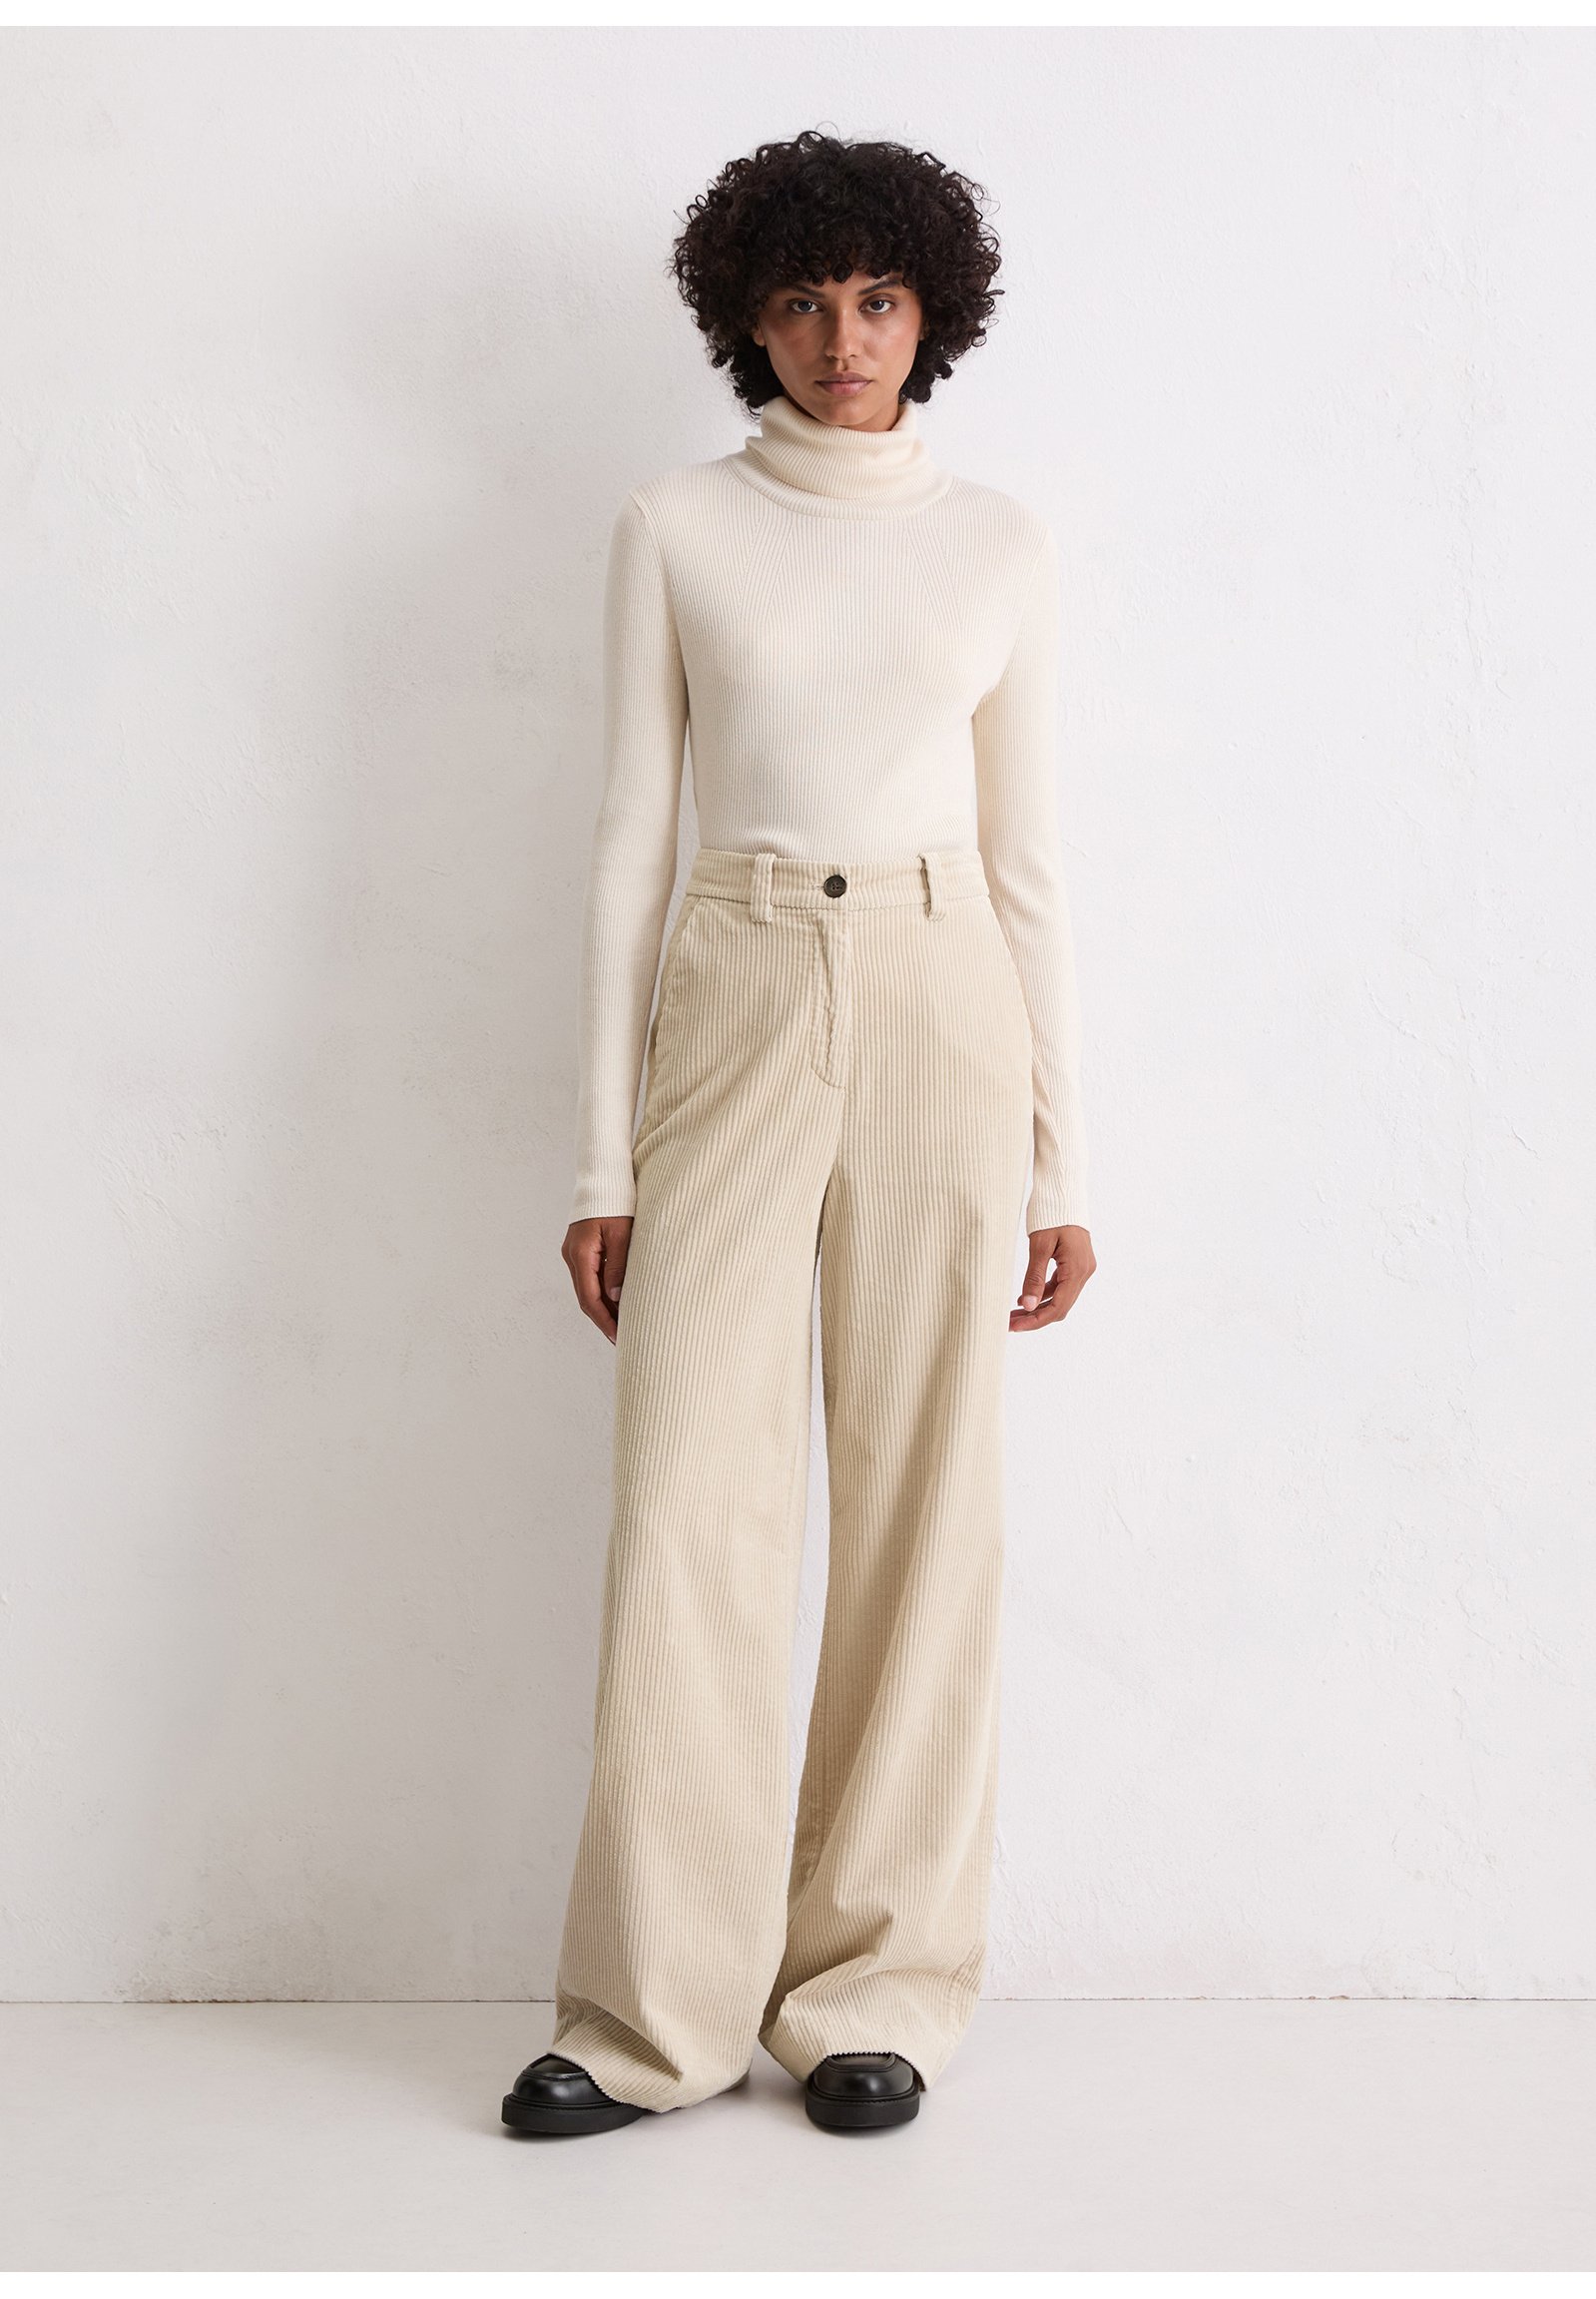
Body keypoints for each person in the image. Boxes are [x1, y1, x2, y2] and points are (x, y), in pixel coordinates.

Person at [502, 129, 1095, 2141]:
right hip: (739, 976)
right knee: (689, 1500)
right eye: (800, 302)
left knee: (925, 1499)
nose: (843, 339)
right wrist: (602, 1162)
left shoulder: (995, 542)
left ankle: (872, 1995)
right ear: (743, 320)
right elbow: (627, 841)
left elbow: (1027, 861)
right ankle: (649, 2017)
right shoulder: (676, 524)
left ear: (932, 314)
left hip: (941, 991)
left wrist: (1064, 1160)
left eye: (877, 298)